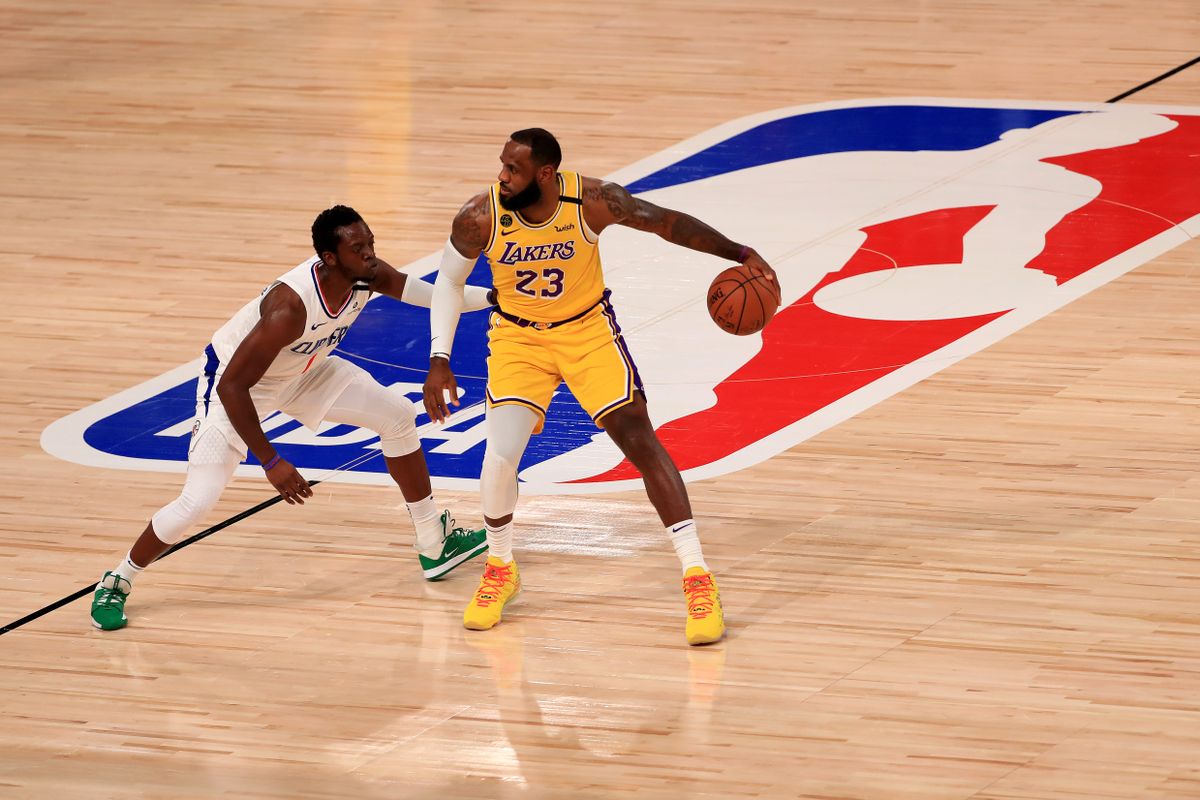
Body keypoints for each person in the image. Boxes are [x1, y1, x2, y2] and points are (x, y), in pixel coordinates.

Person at [422, 129, 782, 645]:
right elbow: (450, 283)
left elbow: (666, 224)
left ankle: (697, 576)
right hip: (519, 341)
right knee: (499, 457)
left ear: (545, 174)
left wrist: (738, 252)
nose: (502, 176)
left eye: (514, 169)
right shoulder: (479, 215)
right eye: (502, 165)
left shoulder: (591, 201)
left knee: (640, 441)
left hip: (586, 332)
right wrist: (439, 357)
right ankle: (500, 567)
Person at [91, 205, 494, 631]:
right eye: (358, 248)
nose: (370, 254)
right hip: (239, 383)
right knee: (198, 500)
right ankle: (118, 578)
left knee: (396, 415)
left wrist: (492, 298)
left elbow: (431, 294)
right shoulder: (290, 308)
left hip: (305, 369)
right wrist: (271, 461)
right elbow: (233, 386)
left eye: (371, 242)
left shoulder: (367, 274)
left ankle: (433, 541)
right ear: (330, 257)